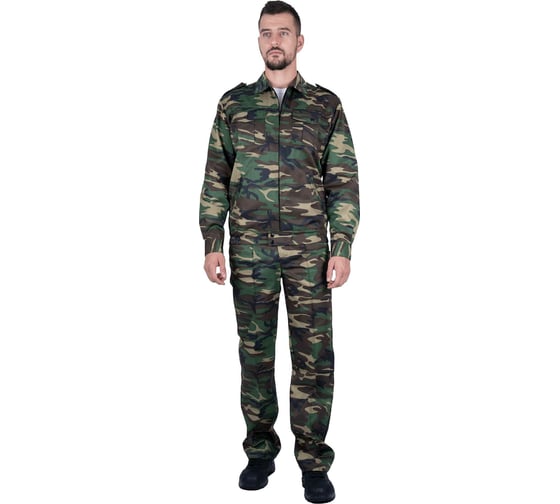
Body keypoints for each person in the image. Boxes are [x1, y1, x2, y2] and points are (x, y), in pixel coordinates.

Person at [199, 2, 359, 502]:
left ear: (299, 41)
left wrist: (342, 245)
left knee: (314, 358)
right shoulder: (234, 105)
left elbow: (343, 180)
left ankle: (313, 460)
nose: (275, 40)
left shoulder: (325, 106)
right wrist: (212, 241)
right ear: (258, 41)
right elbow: (215, 177)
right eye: (267, 32)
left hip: (310, 254)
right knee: (255, 354)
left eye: (283, 33)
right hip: (250, 252)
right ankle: (259, 451)